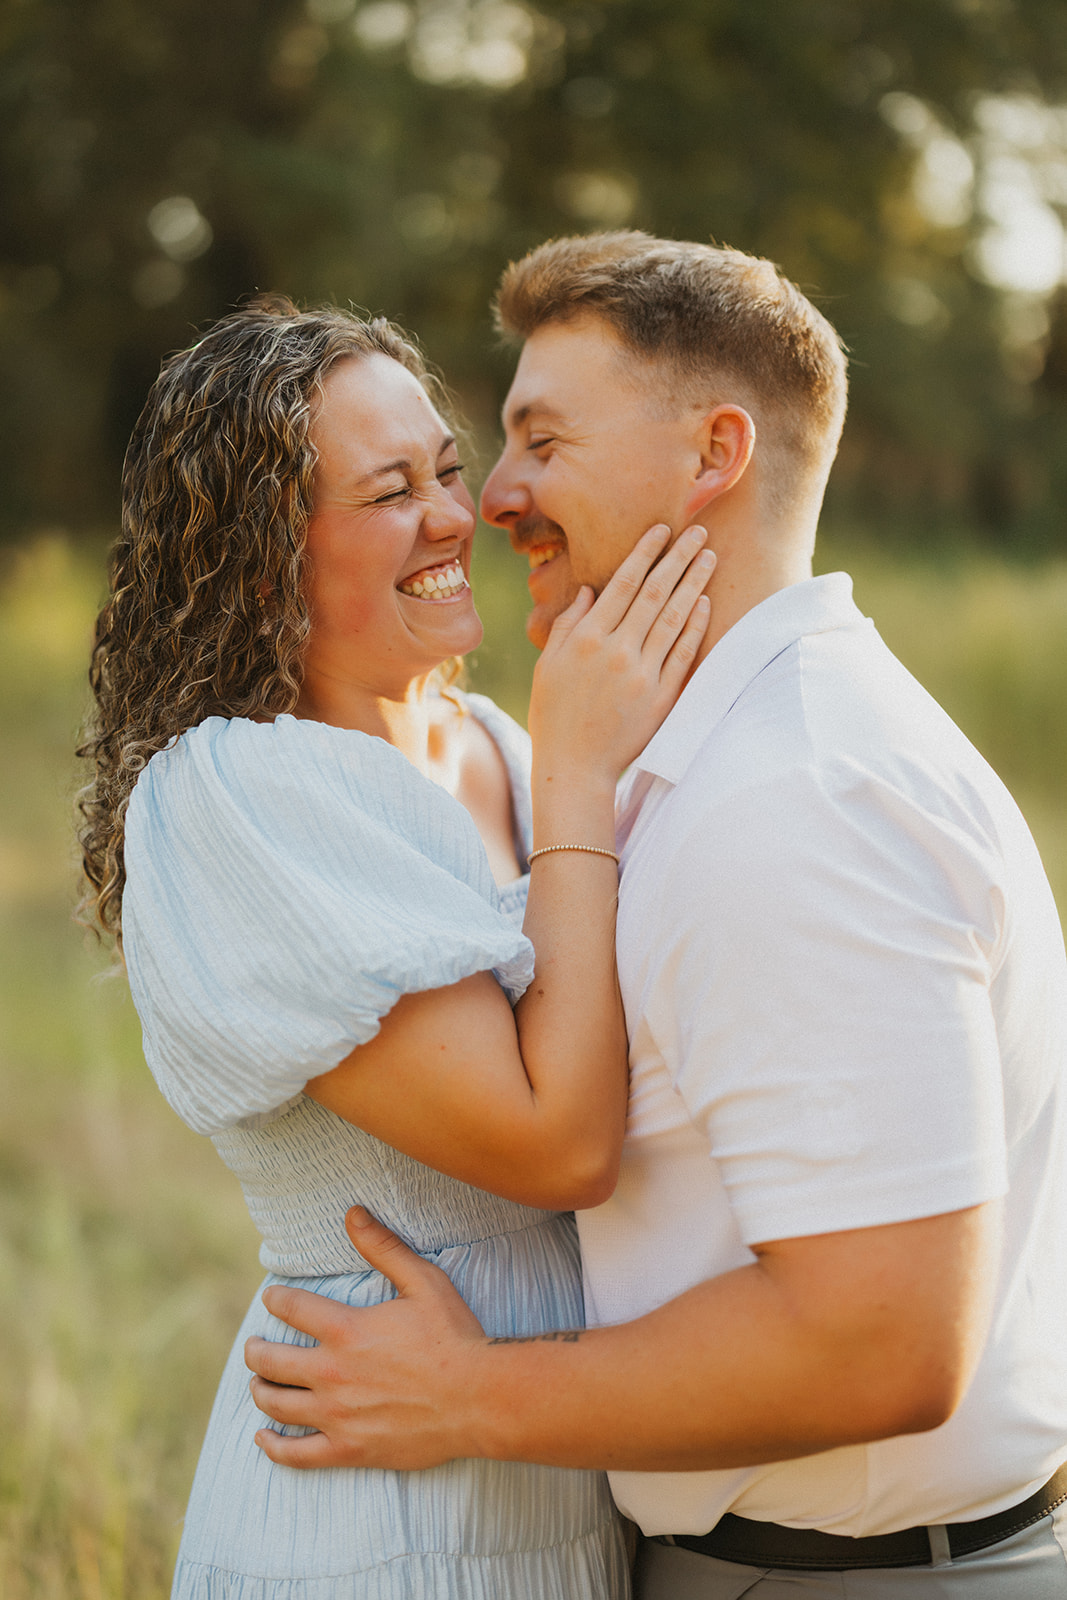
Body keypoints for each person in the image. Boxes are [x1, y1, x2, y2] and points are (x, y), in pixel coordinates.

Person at [245, 234, 1067, 1598]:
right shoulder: (729, 759)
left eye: (541, 440)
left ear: (714, 457)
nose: (491, 497)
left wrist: (472, 1398)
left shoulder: (795, 802)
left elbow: (882, 1341)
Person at [77, 294, 715, 1598]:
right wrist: (592, 765)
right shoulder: (241, 797)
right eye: (389, 493)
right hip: (375, 1506)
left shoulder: (502, 751)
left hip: (553, 1477)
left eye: (446, 470)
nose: (452, 519)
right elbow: (559, 1144)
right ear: (266, 557)